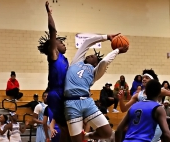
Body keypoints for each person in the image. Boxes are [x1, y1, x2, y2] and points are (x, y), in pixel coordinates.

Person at [64, 32, 128, 142]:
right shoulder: (76, 61)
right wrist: (107, 37)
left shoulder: (95, 72)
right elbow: (87, 43)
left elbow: (104, 62)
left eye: (92, 56)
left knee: (107, 132)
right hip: (71, 103)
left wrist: (117, 50)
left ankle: (86, 136)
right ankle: (81, 137)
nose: (89, 55)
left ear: (95, 63)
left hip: (87, 102)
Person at [37, 2, 70, 142]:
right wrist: (49, 14)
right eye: (60, 42)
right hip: (56, 93)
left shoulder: (65, 59)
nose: (64, 44)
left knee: (67, 128)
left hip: (64, 92)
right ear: (53, 45)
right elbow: (52, 31)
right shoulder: (54, 55)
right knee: (65, 128)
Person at [118, 69, 170, 142]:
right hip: (142, 125)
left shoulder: (159, 91)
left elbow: (118, 130)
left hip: (155, 124)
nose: (144, 79)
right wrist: (121, 99)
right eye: (143, 78)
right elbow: (124, 109)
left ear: (152, 80)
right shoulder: (137, 95)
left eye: (147, 77)